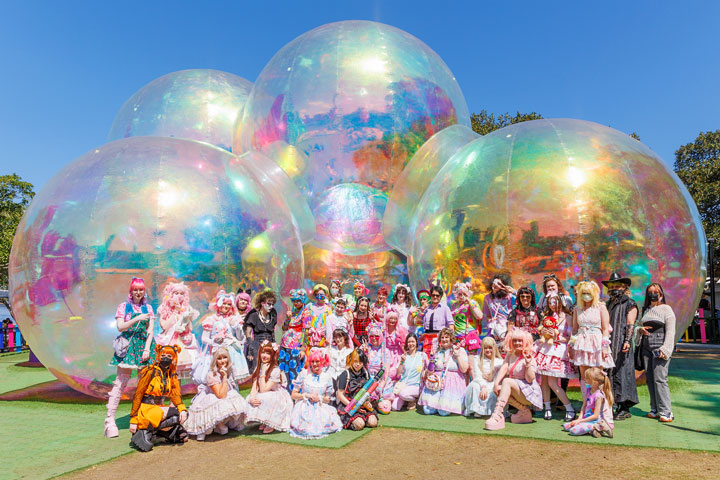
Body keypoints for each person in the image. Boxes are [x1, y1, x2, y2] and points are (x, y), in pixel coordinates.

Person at [105, 277, 157, 438]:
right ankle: (110, 421)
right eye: (135, 289)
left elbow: (151, 330)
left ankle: (144, 416)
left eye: (141, 289)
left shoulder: (148, 307)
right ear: (131, 291)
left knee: (146, 383)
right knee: (120, 383)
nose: (138, 292)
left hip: (144, 348)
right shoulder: (123, 307)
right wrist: (136, 318)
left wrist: (147, 348)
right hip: (128, 347)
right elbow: (120, 326)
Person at [128, 345, 189, 452]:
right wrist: (133, 419)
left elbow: (175, 395)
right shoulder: (150, 371)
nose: (166, 358)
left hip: (157, 409)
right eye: (163, 355)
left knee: (181, 414)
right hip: (146, 409)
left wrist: (182, 408)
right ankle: (144, 430)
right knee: (175, 413)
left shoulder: (170, 374)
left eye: (169, 356)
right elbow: (138, 395)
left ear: (173, 358)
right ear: (159, 356)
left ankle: (160, 432)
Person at [484, 329, 543, 430]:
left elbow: (530, 379)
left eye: (520, 340)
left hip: (528, 392)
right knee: (499, 387)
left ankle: (497, 415)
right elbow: (504, 367)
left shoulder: (529, 356)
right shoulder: (510, 354)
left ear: (525, 341)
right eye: (515, 340)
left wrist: (528, 364)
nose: (517, 343)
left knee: (506, 381)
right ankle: (524, 412)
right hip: (516, 387)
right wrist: (496, 383)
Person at [185, 347, 247, 441]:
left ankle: (225, 423)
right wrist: (224, 376)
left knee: (234, 395)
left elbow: (231, 390)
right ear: (215, 360)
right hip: (212, 397)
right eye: (219, 358)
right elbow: (221, 395)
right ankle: (215, 425)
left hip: (223, 393)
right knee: (216, 400)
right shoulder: (212, 375)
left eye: (224, 357)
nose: (222, 361)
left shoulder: (230, 369)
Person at [636, 283, 676, 423]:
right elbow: (639, 327)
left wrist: (665, 349)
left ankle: (666, 411)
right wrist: (639, 330)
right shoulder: (645, 310)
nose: (653, 294)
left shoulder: (666, 309)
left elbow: (671, 331)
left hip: (660, 346)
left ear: (661, 294)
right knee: (650, 379)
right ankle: (654, 409)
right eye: (650, 292)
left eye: (656, 291)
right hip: (646, 346)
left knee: (660, 378)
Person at [602, 272, 639, 420]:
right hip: (610, 342)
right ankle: (612, 403)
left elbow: (630, 323)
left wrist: (627, 341)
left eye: (618, 285)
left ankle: (624, 407)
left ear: (624, 287)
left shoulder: (629, 303)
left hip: (622, 342)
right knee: (610, 372)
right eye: (612, 286)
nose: (615, 288)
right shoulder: (609, 303)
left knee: (623, 373)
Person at [570, 281, 614, 404]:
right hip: (581, 343)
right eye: (583, 293)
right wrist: (571, 346)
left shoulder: (601, 307)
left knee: (597, 376)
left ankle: (600, 405)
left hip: (596, 343)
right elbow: (574, 329)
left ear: (594, 293)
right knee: (584, 377)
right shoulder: (577, 309)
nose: (586, 296)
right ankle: (587, 404)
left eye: (588, 293)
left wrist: (605, 347)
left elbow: (605, 329)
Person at [535, 293, 577, 421]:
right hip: (544, 349)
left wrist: (555, 337)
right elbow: (541, 329)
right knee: (544, 381)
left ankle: (569, 408)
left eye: (555, 301)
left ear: (561, 301)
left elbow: (570, 337)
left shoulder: (568, 317)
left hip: (557, 350)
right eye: (550, 302)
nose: (552, 304)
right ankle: (547, 408)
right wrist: (543, 332)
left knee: (553, 382)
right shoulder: (547, 316)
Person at [194, 290, 249, 384]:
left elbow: (241, 338)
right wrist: (216, 342)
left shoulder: (234, 318)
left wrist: (236, 326)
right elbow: (204, 339)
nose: (226, 306)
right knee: (218, 379)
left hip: (232, 354)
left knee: (232, 381)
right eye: (224, 303)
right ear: (219, 304)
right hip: (217, 353)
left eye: (228, 304)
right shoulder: (211, 319)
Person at [289, 348, 343, 439]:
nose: (314, 364)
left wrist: (320, 398)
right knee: (306, 429)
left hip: (320, 407)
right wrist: (306, 395)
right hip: (304, 407)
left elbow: (328, 399)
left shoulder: (327, 377)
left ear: (322, 361)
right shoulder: (304, 374)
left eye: (317, 361)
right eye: (312, 361)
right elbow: (293, 395)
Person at [418, 327, 469, 416]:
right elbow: (430, 372)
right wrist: (432, 358)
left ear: (451, 338)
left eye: (446, 337)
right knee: (427, 411)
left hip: (453, 384)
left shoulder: (459, 350)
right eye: (442, 337)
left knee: (443, 412)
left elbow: (464, 369)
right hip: (437, 383)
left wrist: (457, 356)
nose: (444, 339)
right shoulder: (437, 351)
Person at [245, 340, 293, 433]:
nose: (264, 355)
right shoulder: (258, 368)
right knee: (251, 398)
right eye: (263, 352)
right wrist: (251, 398)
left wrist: (263, 373)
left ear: (273, 356)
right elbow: (255, 386)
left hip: (277, 395)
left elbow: (263, 389)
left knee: (266, 397)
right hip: (267, 392)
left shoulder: (275, 370)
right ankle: (265, 419)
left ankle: (272, 421)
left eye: (268, 353)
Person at [155, 282, 200, 378]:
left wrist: (184, 316)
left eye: (181, 293)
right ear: (170, 295)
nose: (179, 296)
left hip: (182, 340)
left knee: (179, 370)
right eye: (176, 293)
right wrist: (175, 311)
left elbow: (190, 328)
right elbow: (164, 326)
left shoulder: (187, 309)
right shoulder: (163, 308)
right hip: (168, 340)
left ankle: (178, 390)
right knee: (166, 368)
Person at [562, 367, 614, 438]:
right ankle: (594, 430)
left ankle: (598, 426)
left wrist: (580, 421)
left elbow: (595, 415)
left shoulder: (599, 396)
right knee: (566, 426)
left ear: (595, 382)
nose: (584, 379)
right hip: (585, 419)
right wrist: (579, 419)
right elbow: (584, 406)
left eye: (587, 378)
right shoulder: (588, 390)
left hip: (594, 421)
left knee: (573, 431)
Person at [336, 348, 379, 431]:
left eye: (360, 362)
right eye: (355, 361)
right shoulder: (345, 374)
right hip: (348, 406)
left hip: (363, 405)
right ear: (351, 360)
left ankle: (363, 418)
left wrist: (368, 402)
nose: (358, 364)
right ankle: (352, 422)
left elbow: (368, 393)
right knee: (360, 425)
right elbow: (340, 394)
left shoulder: (365, 373)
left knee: (373, 423)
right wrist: (353, 406)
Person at [464, 336, 503, 417]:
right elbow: (477, 375)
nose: (488, 350)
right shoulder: (477, 359)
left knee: (494, 389)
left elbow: (498, 378)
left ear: (494, 348)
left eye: (490, 348)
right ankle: (476, 409)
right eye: (485, 348)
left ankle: (489, 410)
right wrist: (483, 386)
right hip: (481, 382)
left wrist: (492, 378)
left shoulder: (499, 361)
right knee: (474, 386)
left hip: (493, 383)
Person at [279, 289, 309, 390]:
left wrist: (303, 348)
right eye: (294, 301)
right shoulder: (292, 311)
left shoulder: (306, 313)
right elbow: (284, 328)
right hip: (285, 344)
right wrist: (287, 318)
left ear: (303, 300)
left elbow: (306, 331)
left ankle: (294, 392)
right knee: (283, 369)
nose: (296, 303)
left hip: (296, 345)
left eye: (298, 300)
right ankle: (283, 390)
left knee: (295, 369)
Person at [245, 288, 278, 372]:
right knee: (256, 369)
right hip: (257, 345)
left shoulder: (273, 315)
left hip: (269, 346)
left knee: (270, 369)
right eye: (269, 304)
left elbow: (272, 332)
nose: (271, 306)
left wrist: (274, 345)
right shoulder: (254, 315)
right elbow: (248, 332)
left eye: (272, 304)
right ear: (262, 303)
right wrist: (250, 347)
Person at [391, 333, 427, 411]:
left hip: (416, 386)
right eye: (409, 342)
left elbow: (429, 368)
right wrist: (401, 362)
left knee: (403, 394)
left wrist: (425, 373)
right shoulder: (404, 356)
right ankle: (408, 400)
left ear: (416, 343)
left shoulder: (422, 355)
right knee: (394, 407)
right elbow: (398, 373)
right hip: (403, 385)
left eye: (413, 342)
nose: (411, 344)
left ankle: (413, 400)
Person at [366, 325, 393, 413]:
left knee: (385, 408)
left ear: (381, 336)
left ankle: (377, 403)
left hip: (382, 381)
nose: (374, 338)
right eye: (372, 336)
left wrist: (381, 385)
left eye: (376, 336)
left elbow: (387, 370)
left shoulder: (385, 351)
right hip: (369, 381)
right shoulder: (366, 349)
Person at [482, 274, 516, 341]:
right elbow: (488, 315)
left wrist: (514, 292)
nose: (495, 285)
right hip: (494, 328)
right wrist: (490, 320)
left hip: (507, 327)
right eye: (494, 282)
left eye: (499, 283)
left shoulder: (509, 296)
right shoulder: (487, 298)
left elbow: (522, 301)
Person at [451, 281, 483, 353]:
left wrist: (469, 302)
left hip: (470, 335)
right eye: (460, 294)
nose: (462, 296)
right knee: (459, 358)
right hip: (457, 337)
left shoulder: (472, 302)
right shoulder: (454, 305)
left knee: (471, 357)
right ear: (456, 294)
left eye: (464, 294)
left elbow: (479, 316)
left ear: (468, 293)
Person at [421, 286, 454, 355]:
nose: (435, 297)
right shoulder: (427, 309)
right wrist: (421, 309)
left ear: (440, 296)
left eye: (437, 295)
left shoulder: (445, 308)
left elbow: (451, 324)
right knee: (426, 359)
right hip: (427, 337)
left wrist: (451, 339)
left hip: (439, 337)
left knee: (438, 360)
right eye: (433, 295)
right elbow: (419, 322)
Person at [303, 284, 333, 352]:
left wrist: (328, 338)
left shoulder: (328, 309)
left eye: (321, 295)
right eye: (317, 295)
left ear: (326, 295)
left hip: (322, 339)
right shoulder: (309, 307)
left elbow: (330, 326)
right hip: (310, 338)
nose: (319, 297)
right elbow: (305, 324)